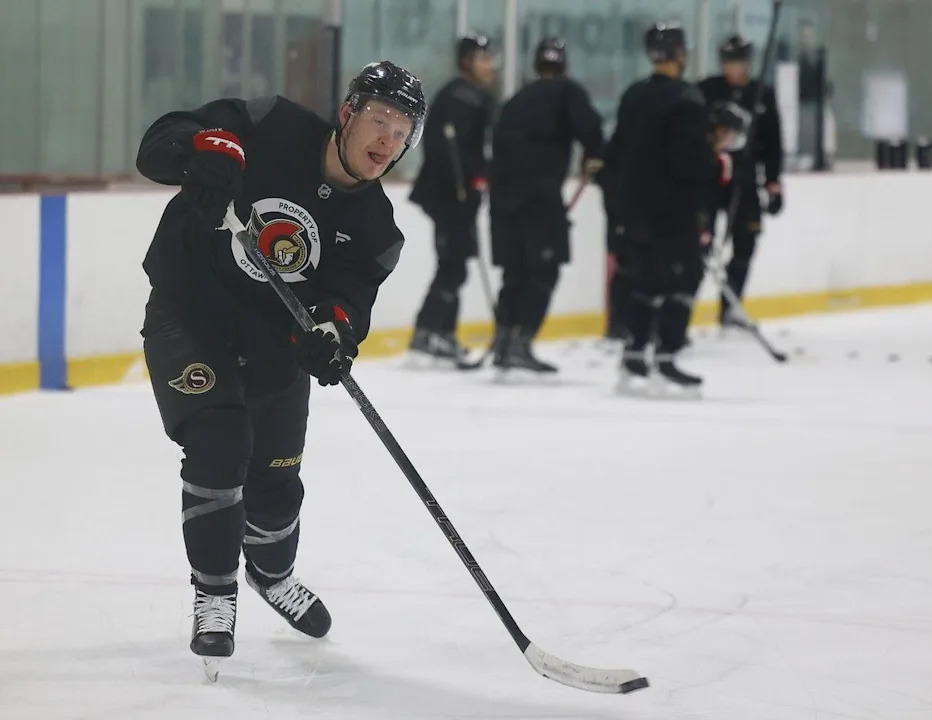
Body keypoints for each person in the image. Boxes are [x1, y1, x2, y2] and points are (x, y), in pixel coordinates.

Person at [135, 61, 427, 664]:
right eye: (380, 121)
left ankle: (271, 574)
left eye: (402, 133)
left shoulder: (377, 230)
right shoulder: (270, 126)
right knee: (220, 442)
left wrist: (332, 334)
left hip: (272, 340)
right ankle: (214, 593)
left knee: (276, 484)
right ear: (347, 114)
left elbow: (349, 303)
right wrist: (204, 154)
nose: (387, 142)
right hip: (191, 317)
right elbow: (160, 144)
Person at [606, 22, 724, 391]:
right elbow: (688, 163)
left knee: (643, 281)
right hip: (672, 213)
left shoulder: (633, 95)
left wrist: (618, 211)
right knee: (682, 280)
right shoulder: (686, 101)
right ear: (678, 53)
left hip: (633, 213)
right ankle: (667, 357)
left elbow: (617, 156)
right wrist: (714, 159)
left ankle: (635, 355)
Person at [488, 37, 604, 374]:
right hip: (540, 198)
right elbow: (592, 130)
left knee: (516, 271)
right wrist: (595, 157)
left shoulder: (515, 100)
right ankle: (520, 342)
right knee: (543, 271)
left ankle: (503, 339)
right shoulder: (569, 92)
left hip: (505, 200)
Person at [408, 34, 497, 363]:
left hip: (457, 196)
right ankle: (429, 332)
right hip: (450, 197)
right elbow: (446, 149)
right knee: (452, 266)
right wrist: (463, 188)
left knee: (454, 265)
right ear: (466, 61)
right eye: (483, 58)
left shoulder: (474, 96)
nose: (490, 65)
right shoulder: (461, 96)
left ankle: (440, 333)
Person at [699, 34, 784, 327]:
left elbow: (773, 142)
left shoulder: (762, 94)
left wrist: (773, 182)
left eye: (737, 62)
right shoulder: (706, 90)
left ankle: (731, 305)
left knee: (746, 242)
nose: (732, 68)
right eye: (727, 62)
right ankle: (680, 309)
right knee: (699, 244)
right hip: (709, 179)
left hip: (746, 179)